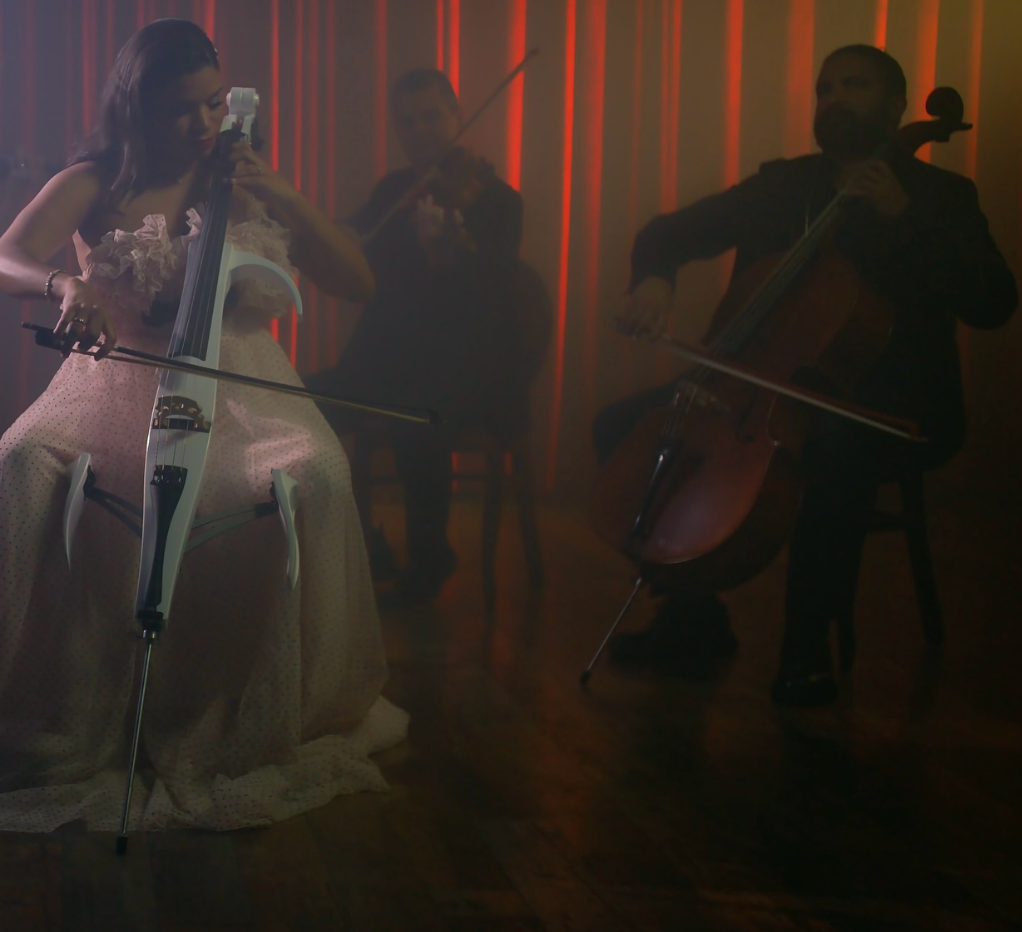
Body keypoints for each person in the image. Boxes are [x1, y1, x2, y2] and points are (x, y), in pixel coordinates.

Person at [0, 19, 407, 832]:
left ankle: (264, 700)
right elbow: (1, 257)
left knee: (315, 473)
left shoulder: (242, 178)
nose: (205, 123)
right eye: (182, 109)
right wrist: (65, 284)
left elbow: (359, 281)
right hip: (114, 380)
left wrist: (280, 191)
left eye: (213, 103)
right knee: (23, 459)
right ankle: (49, 698)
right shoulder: (95, 178)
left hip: (241, 386)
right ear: (136, 108)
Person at [594, 45, 1017, 706]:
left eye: (854, 86)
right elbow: (668, 234)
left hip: (891, 400)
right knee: (622, 426)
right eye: (825, 89)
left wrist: (903, 217)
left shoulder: (939, 196)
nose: (834, 99)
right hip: (760, 391)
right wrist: (653, 278)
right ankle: (691, 614)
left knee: (831, 452)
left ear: (895, 106)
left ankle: (806, 647)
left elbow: (992, 301)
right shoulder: (784, 186)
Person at [308, 68, 523, 606]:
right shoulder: (394, 191)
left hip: (465, 369)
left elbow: (492, 298)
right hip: (390, 362)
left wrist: (451, 247)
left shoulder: (498, 201)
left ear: (455, 114)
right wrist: (336, 235)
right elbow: (355, 242)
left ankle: (430, 560)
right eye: (407, 121)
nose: (420, 129)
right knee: (303, 403)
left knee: (414, 420)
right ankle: (353, 543)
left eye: (431, 116)